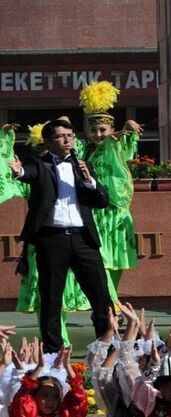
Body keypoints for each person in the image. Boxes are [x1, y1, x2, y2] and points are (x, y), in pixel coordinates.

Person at [9, 118, 113, 350]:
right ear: (48, 141)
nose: (67, 139)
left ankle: (107, 346)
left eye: (70, 135)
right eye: (60, 136)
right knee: (51, 297)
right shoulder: (40, 162)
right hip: (52, 239)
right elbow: (29, 173)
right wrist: (19, 172)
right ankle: (53, 353)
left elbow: (102, 201)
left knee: (100, 296)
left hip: (83, 238)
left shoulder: (82, 165)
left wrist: (89, 180)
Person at [81, 80, 142, 299]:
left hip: (117, 213)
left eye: (103, 130)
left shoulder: (116, 147)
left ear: (111, 130)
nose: (98, 134)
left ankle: (111, 309)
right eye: (94, 130)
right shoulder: (84, 152)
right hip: (97, 215)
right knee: (102, 262)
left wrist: (129, 124)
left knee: (117, 263)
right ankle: (112, 307)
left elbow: (125, 137)